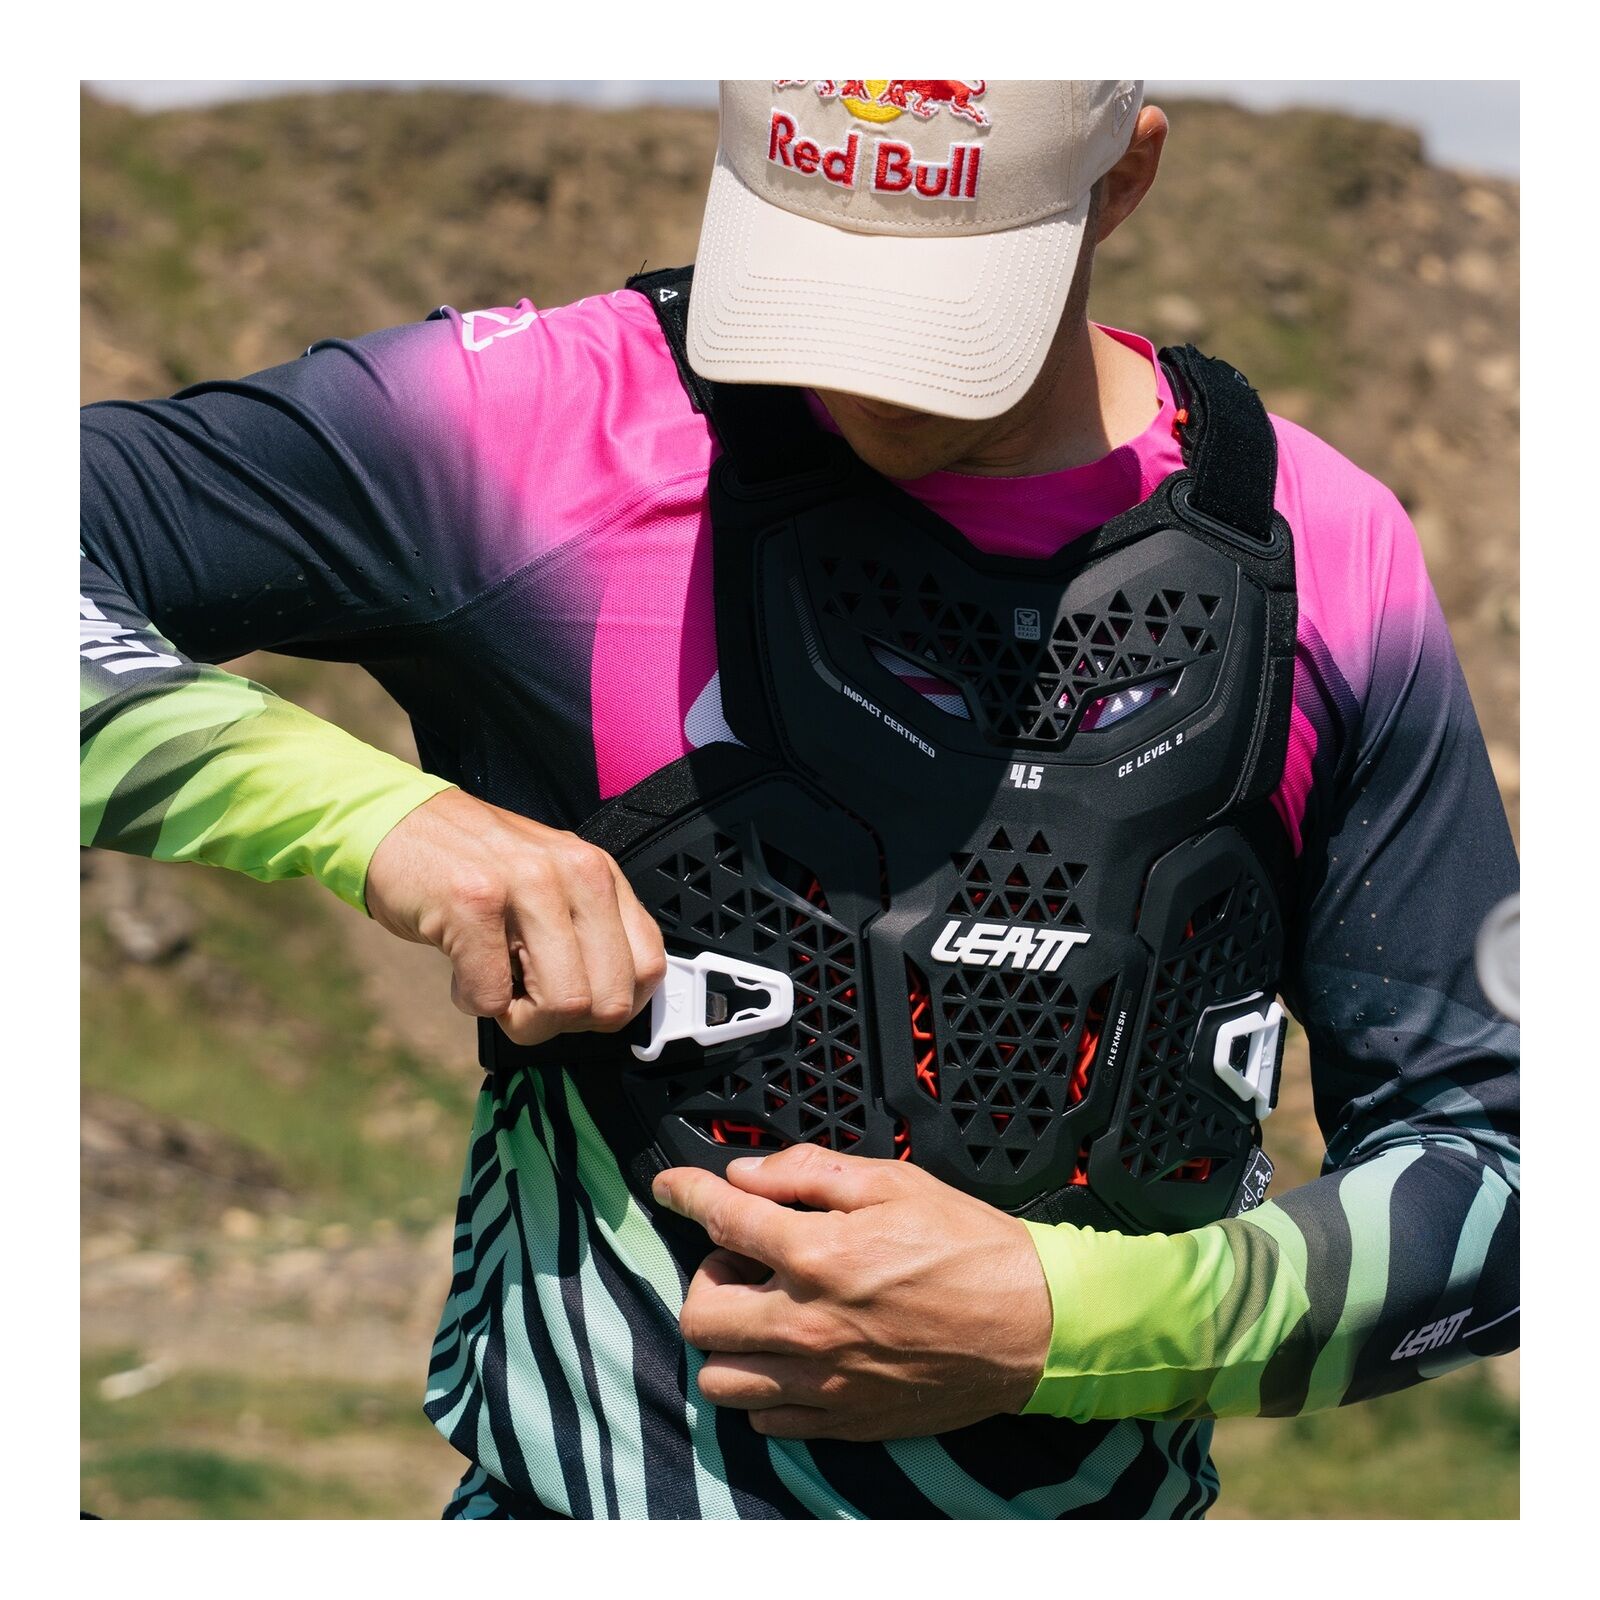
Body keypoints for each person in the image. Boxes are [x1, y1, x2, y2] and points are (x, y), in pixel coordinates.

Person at [79, 79, 1519, 1520]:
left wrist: (1063, 1324)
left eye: (934, 295)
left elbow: (1506, 1183)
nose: (863, 362)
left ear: (1121, 177)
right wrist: (376, 821)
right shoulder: (542, 430)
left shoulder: (1323, 552)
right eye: (817, 262)